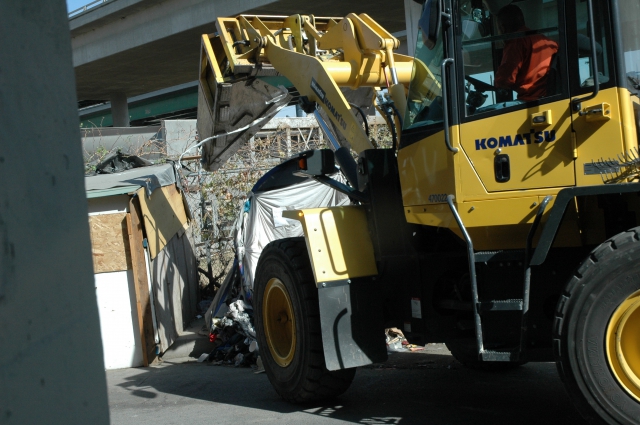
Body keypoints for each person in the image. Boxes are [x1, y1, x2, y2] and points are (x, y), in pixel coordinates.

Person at [494, 4, 558, 102]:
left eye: (498, 29)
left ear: (503, 28)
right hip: (549, 98)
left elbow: (505, 79)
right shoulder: (548, 42)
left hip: (530, 100)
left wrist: (498, 82)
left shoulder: (515, 42)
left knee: (487, 110)